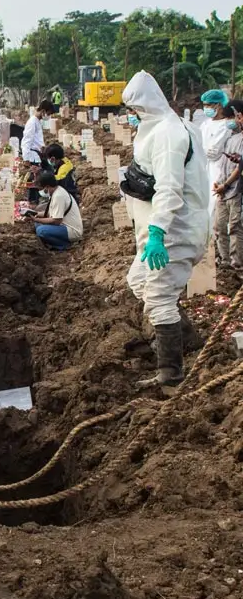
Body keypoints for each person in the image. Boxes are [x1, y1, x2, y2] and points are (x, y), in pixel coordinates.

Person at [121, 71, 209, 387]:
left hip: (175, 229)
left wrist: (158, 233)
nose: (132, 116)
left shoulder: (170, 134)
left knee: (158, 297)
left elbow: (170, 189)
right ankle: (186, 337)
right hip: (164, 229)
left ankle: (171, 372)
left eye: (134, 110)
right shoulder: (161, 128)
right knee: (138, 280)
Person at [213, 100, 243, 269]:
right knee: (219, 226)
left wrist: (226, 184)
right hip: (223, 189)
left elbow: (239, 168)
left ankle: (237, 263)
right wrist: (219, 182)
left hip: (235, 190)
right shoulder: (231, 139)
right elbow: (224, 163)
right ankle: (224, 260)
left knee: (235, 227)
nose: (234, 121)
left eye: (236, 117)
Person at [201, 89, 234, 220]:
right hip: (205, 168)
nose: (206, 108)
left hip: (218, 169)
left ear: (219, 105)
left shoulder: (225, 126)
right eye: (204, 105)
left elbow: (213, 152)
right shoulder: (205, 123)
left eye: (208, 105)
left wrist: (200, 149)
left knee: (214, 206)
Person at [31, 172, 83, 251]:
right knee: (38, 224)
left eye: (41, 189)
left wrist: (37, 219)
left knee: (41, 230)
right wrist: (35, 214)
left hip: (72, 230)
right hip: (63, 226)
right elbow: (50, 213)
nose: (40, 192)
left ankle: (64, 245)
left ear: (47, 187)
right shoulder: (56, 192)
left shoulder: (58, 196)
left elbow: (56, 221)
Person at [21, 99, 53, 203]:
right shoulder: (32, 122)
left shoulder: (37, 122)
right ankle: (33, 202)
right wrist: (26, 158)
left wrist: (42, 147)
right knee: (35, 180)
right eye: (48, 113)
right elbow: (26, 141)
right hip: (32, 155)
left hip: (38, 154)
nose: (48, 116)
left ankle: (37, 200)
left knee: (41, 177)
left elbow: (36, 139)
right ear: (43, 111)